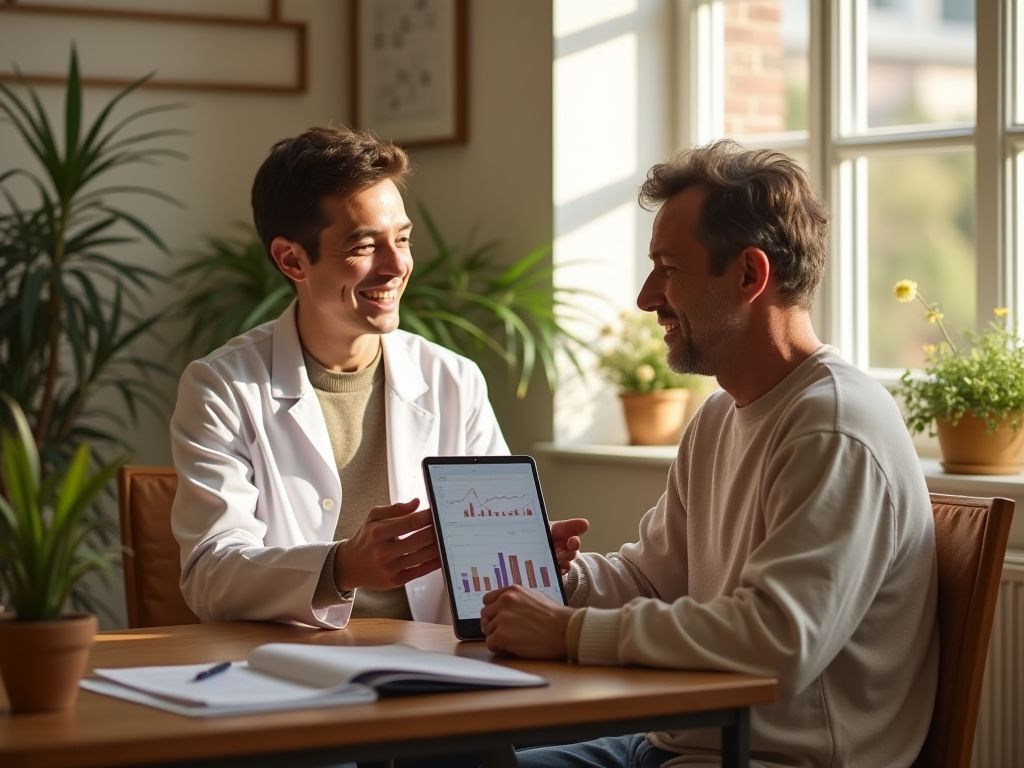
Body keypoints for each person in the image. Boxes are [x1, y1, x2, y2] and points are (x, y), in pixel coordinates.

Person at [480, 140, 939, 767]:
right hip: (677, 747)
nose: (646, 297)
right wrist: (557, 582)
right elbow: (654, 580)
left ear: (750, 275)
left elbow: (779, 640)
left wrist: (568, 632)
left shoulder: (834, 426)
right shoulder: (720, 416)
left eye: (669, 269)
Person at [170, 126, 517, 628]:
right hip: (292, 670)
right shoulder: (222, 387)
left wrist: (531, 550)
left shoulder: (453, 380)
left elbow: (492, 552)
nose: (397, 266)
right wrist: (342, 567)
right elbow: (210, 572)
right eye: (364, 246)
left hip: (434, 663)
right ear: (292, 259)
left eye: (402, 239)